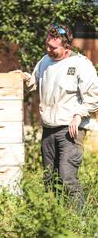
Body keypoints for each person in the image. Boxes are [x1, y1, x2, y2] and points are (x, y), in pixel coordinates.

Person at [22, 24, 98, 209]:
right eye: (47, 45)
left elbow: (94, 95)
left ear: (67, 46)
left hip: (71, 129)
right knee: (50, 179)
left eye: (53, 47)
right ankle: (57, 219)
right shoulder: (45, 61)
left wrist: (78, 116)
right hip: (49, 128)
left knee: (66, 176)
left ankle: (80, 220)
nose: (48, 49)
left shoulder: (81, 64)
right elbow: (34, 83)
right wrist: (25, 77)